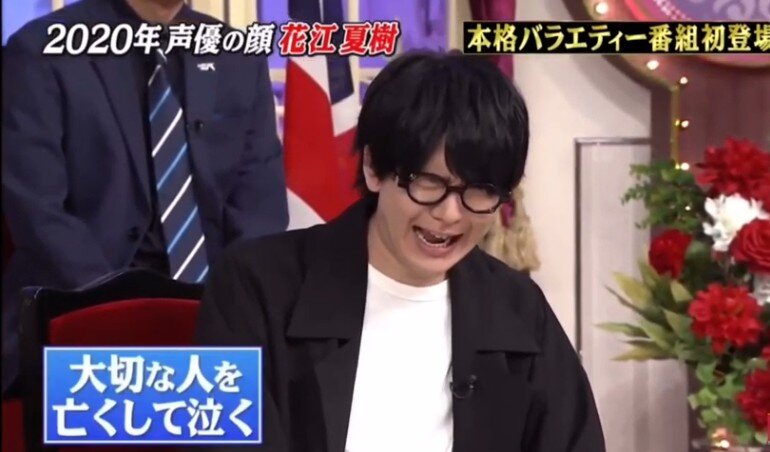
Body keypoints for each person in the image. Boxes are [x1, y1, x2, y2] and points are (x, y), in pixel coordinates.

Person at [196, 50, 605, 451]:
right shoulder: (249, 285)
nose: (449, 214)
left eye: (480, 190)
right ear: (373, 168)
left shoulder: (519, 308)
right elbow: (211, 436)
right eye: (429, 182)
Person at [2, 0, 288, 396]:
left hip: (216, 314)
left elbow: (259, 208)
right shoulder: (41, 50)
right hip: (77, 314)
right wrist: (128, 313)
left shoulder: (235, 55)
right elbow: (38, 212)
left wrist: (227, 309)